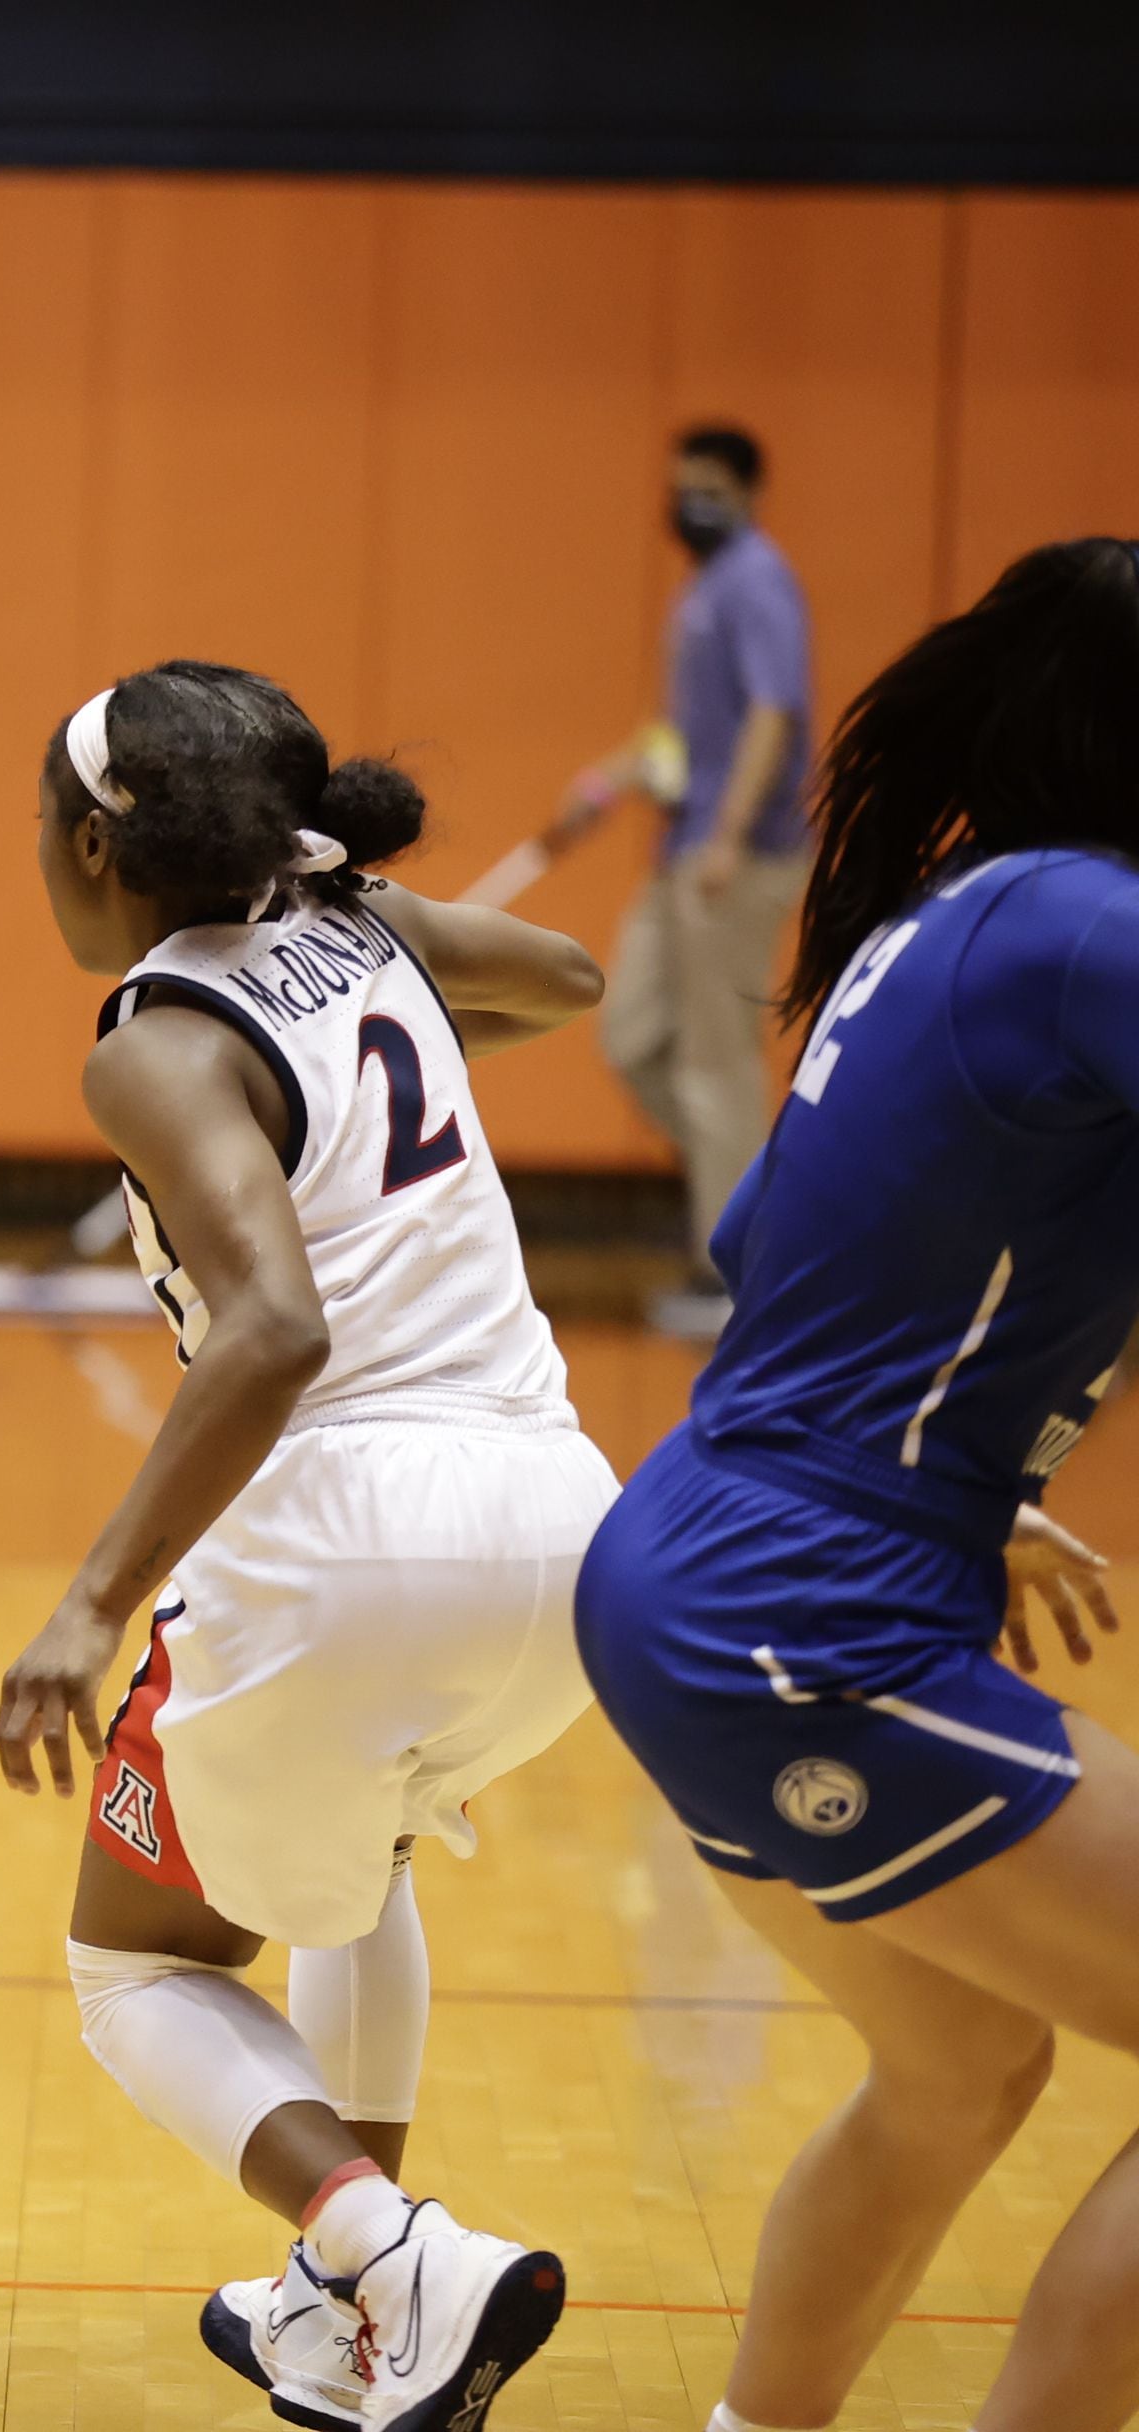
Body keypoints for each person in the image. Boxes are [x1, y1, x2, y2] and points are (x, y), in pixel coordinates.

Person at [0, 663, 621, 2432]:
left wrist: (87, 1598)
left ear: (97, 844)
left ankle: (382, 2249)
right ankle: (350, 2316)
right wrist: (372, 924)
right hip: (562, 1521)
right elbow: (564, 979)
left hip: (355, 1532)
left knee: (135, 1962)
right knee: (363, 1867)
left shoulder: (155, 1040)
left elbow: (271, 1328)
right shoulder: (353, 928)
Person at [571, 537, 1139, 2432]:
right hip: (799, 1612)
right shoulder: (1080, 924)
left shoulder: (961, 915)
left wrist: (964, 1471)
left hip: (699, 1562)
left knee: (961, 2069)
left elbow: (765, 1236)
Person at [548, 423, 817, 1336]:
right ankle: (754, 1205)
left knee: (716, 1065)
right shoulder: (704, 592)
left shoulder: (758, 582)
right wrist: (605, 782)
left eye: (705, 485)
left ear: (746, 490)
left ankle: (741, 1271)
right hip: (684, 851)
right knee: (631, 1038)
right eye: (679, 484)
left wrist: (731, 836)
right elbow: (685, 734)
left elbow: (774, 716)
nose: (687, 502)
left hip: (732, 860)